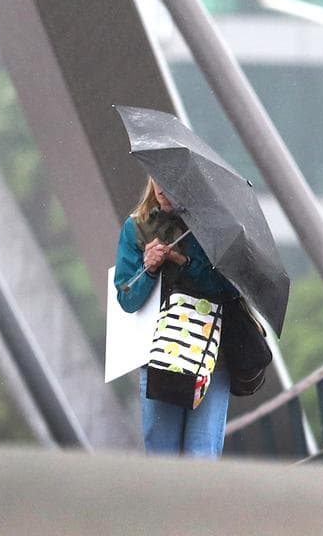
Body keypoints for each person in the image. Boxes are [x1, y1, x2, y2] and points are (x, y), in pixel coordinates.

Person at [113, 177, 239, 458]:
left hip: (209, 356)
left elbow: (230, 290)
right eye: (156, 176)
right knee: (162, 457)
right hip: (160, 356)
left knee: (202, 456)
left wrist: (185, 262)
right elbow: (127, 298)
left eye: (170, 178)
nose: (161, 186)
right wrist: (149, 269)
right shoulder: (137, 227)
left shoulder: (212, 228)